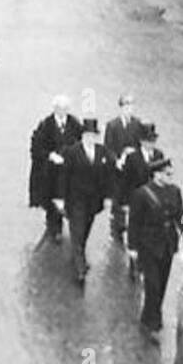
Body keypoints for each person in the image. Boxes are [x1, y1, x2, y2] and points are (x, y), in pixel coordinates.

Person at [127, 141, 183, 339]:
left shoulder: (175, 191)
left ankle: (148, 314)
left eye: (171, 174)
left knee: (162, 283)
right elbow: (133, 223)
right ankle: (153, 323)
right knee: (152, 284)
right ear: (157, 174)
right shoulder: (142, 194)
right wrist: (132, 247)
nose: (170, 177)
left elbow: (180, 216)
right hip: (148, 245)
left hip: (167, 244)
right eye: (167, 174)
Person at [58, 118, 114, 286]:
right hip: (75, 200)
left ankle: (79, 253)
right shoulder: (72, 152)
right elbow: (63, 177)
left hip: (93, 202)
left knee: (85, 230)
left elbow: (109, 177)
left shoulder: (102, 152)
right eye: (87, 135)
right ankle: (80, 267)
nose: (90, 138)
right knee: (77, 231)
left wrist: (108, 197)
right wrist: (60, 198)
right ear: (82, 136)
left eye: (93, 135)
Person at [28, 96, 81, 244]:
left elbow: (80, 141)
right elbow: (37, 146)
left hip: (68, 170)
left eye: (65, 109)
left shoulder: (74, 124)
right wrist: (50, 155)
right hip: (51, 173)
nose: (63, 112)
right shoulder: (46, 125)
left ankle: (71, 225)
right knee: (52, 200)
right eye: (60, 109)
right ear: (55, 109)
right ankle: (54, 227)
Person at [104, 94, 144, 243]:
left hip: (133, 170)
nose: (129, 110)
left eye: (131, 107)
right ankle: (116, 229)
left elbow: (141, 145)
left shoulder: (138, 124)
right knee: (118, 199)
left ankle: (132, 227)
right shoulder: (112, 125)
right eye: (126, 107)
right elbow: (108, 148)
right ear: (120, 108)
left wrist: (135, 155)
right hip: (118, 170)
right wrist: (116, 160)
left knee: (133, 198)